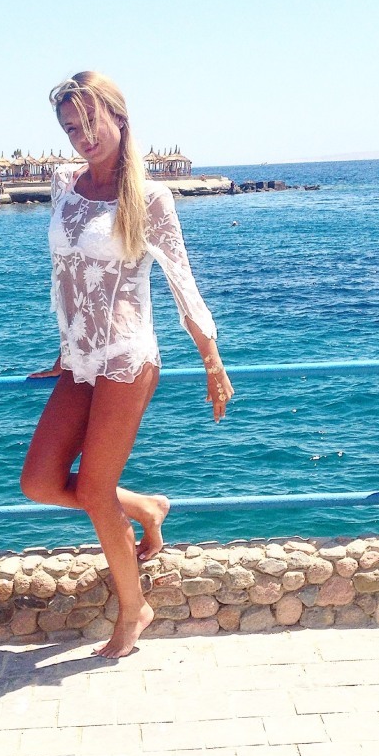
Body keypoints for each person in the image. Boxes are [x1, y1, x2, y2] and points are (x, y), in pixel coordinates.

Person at [20, 71, 234, 658]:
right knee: (38, 481)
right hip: (79, 361)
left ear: (118, 117)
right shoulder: (64, 184)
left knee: (94, 489)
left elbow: (182, 283)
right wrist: (64, 346)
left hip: (126, 358)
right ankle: (143, 506)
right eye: (70, 128)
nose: (82, 136)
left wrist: (212, 361)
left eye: (90, 122)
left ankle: (134, 608)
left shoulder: (149, 197)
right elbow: (65, 274)